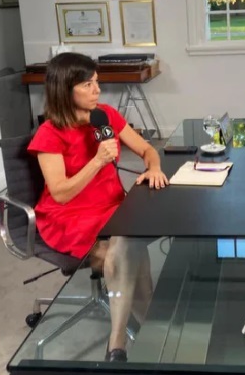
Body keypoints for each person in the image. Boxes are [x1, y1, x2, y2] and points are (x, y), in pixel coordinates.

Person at [28, 52, 169, 361]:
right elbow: (61, 193)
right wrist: (97, 161)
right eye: (88, 85)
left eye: (96, 82)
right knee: (128, 251)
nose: (98, 90)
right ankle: (130, 339)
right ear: (65, 90)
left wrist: (154, 168)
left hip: (110, 206)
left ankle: (132, 340)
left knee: (125, 244)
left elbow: (147, 149)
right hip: (69, 215)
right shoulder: (49, 133)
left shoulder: (105, 116)